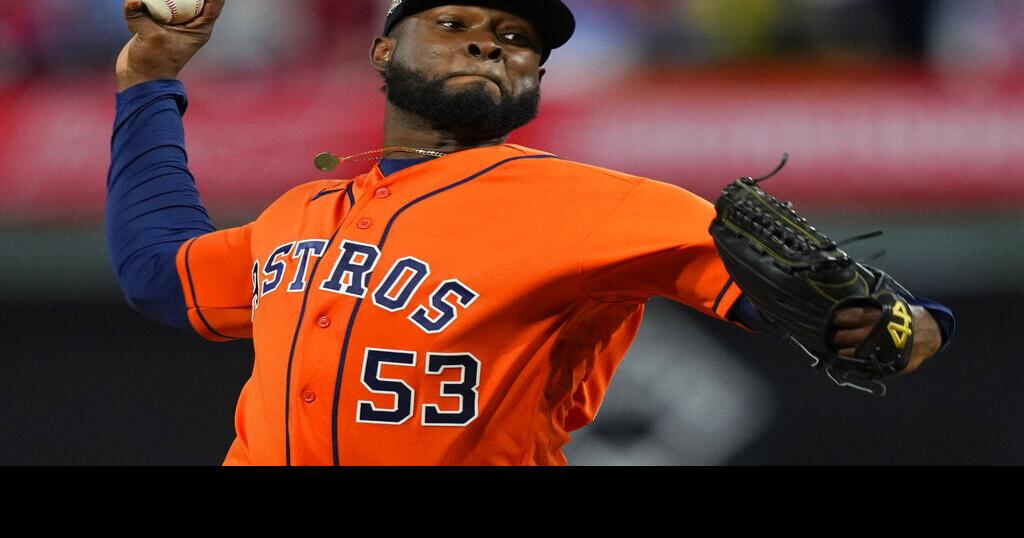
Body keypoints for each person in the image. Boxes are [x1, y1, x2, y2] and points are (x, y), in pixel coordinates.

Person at [108, 0, 954, 465]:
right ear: (381, 52)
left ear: (538, 79)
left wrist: (899, 328)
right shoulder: (301, 213)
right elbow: (160, 275)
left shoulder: (597, 204)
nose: (489, 43)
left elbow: (867, 320)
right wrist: (147, 84)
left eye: (517, 40)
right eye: (455, 23)